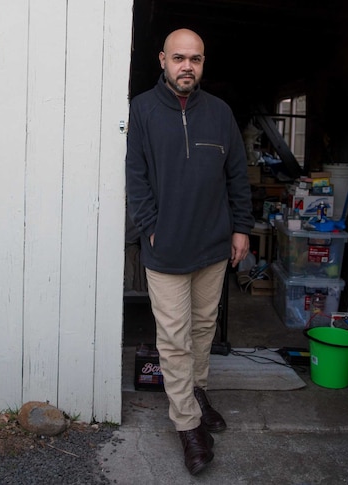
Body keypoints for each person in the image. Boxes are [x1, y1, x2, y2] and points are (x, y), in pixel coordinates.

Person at [125, 28, 254, 475]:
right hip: (166, 248)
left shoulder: (219, 113)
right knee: (174, 338)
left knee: (202, 329)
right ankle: (187, 425)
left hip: (213, 246)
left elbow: (237, 175)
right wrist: (150, 228)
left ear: (203, 63)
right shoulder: (142, 110)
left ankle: (197, 394)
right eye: (179, 58)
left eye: (195, 59)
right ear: (162, 60)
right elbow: (136, 176)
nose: (187, 66)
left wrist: (241, 229)